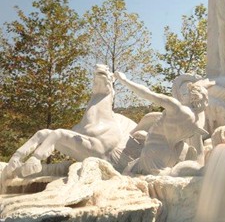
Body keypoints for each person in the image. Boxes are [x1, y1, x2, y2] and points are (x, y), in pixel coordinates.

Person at [1, 65, 136, 185]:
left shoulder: (111, 127)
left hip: (113, 161)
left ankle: (36, 159)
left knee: (58, 134)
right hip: (89, 149)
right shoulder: (86, 120)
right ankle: (16, 158)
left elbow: (62, 136)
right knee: (43, 133)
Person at [114, 71, 208, 175]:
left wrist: (124, 80)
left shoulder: (176, 107)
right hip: (171, 155)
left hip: (154, 151)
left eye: (185, 93)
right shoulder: (196, 122)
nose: (182, 95)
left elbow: (146, 93)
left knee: (129, 174)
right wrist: (147, 136)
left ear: (192, 97)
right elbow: (172, 136)